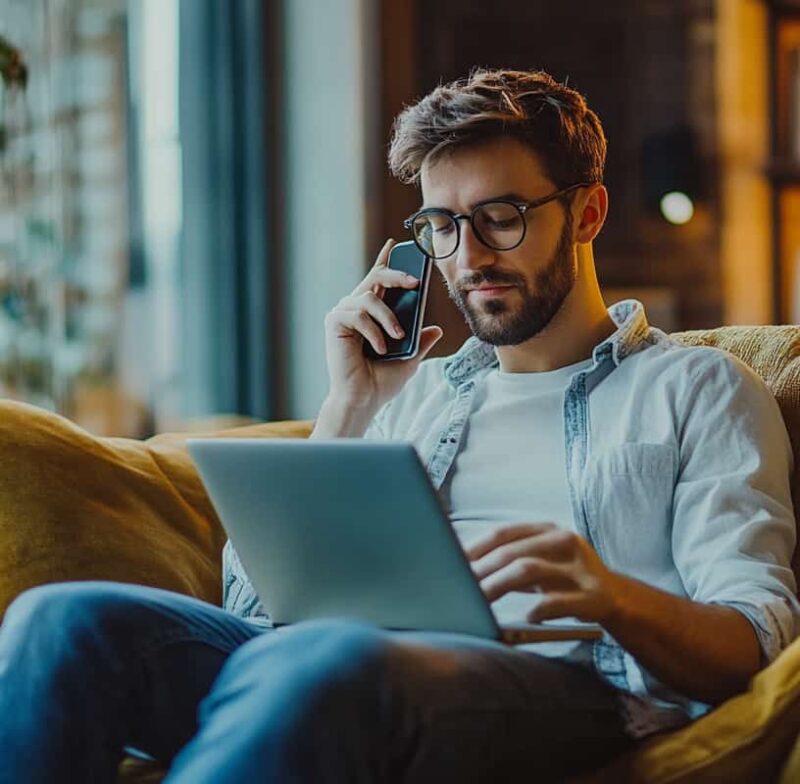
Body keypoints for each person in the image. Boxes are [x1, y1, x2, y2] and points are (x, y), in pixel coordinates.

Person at [0, 68, 797, 783]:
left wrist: (615, 598)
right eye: (441, 227)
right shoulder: (419, 398)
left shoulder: (698, 389)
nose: (468, 257)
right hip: (340, 671)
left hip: (567, 691)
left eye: (501, 217)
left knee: (325, 658)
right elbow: (257, 612)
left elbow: (757, 642)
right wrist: (350, 404)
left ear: (587, 213)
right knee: (61, 621)